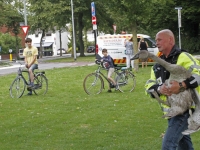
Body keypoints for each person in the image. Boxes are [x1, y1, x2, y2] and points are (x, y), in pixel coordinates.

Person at [145, 29, 200, 150]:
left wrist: (183, 85)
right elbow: (149, 85)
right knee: (184, 145)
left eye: (159, 39)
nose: (156, 42)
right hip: (171, 112)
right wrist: (159, 89)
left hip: (185, 110)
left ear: (170, 40)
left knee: (168, 145)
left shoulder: (183, 57)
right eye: (156, 40)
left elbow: (198, 73)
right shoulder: (157, 66)